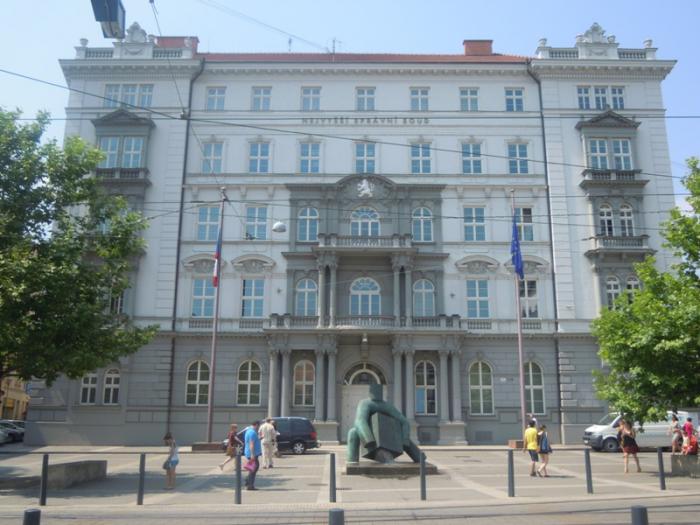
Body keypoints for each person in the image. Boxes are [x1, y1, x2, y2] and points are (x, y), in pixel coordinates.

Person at [244, 420, 262, 490]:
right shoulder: (252, 432)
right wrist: (252, 454)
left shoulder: (249, 431)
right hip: (252, 453)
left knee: (253, 468)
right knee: (254, 468)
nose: (259, 427)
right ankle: (250, 485)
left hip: (250, 452)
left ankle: (248, 480)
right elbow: (251, 444)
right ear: (256, 425)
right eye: (259, 425)